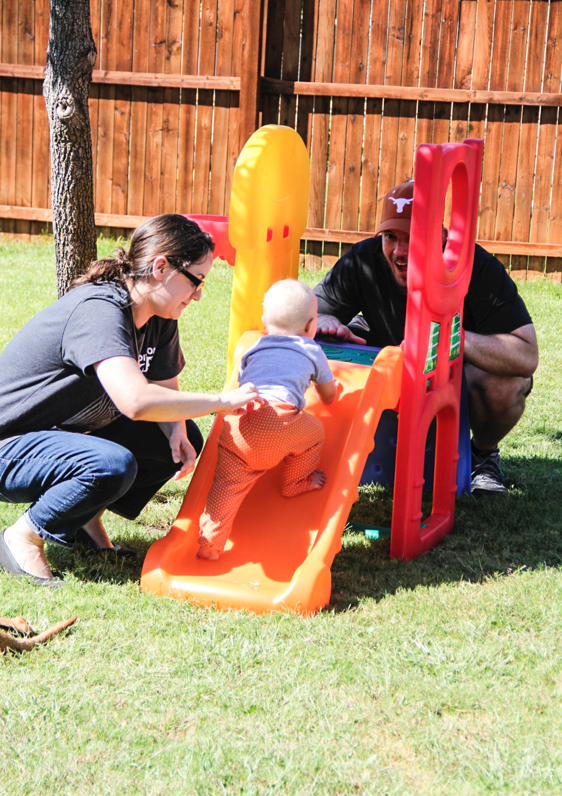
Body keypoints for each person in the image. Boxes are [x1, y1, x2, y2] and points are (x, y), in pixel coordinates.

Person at [0, 214, 260, 585]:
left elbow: (163, 384)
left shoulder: (159, 315)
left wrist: (176, 431)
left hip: (54, 437)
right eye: (196, 280)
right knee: (109, 465)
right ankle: (23, 536)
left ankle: (84, 520)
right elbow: (135, 401)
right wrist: (221, 401)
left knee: (180, 435)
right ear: (160, 268)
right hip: (8, 445)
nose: (199, 294)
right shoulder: (100, 311)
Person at [314, 180, 539, 494]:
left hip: (458, 374)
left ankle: (482, 455)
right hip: (389, 361)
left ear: (441, 237)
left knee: (506, 385)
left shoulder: (476, 267)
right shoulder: (362, 260)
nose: (400, 251)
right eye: (391, 237)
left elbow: (526, 357)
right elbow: (305, 312)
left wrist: (453, 339)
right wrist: (323, 319)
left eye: (413, 237)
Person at [197, 279, 338, 561]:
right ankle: (296, 482)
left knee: (226, 487)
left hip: (239, 426)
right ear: (311, 326)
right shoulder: (312, 350)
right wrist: (321, 387)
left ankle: (209, 544)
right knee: (316, 431)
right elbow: (329, 397)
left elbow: (244, 383)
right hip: (278, 425)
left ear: (264, 322)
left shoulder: (253, 348)